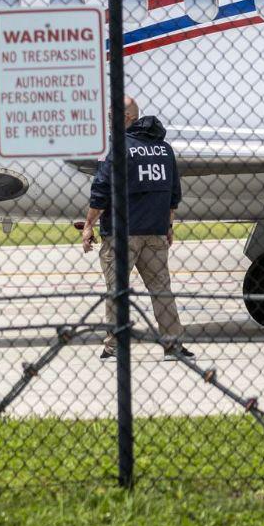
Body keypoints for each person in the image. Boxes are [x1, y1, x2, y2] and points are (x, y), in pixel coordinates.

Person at [81, 96, 193, 360]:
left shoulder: (120, 148)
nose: (109, 122)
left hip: (122, 235)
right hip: (155, 233)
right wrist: (168, 225)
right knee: (161, 290)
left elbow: (101, 191)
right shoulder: (164, 150)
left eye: (112, 117)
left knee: (117, 291)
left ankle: (115, 347)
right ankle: (173, 345)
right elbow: (173, 193)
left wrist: (88, 226)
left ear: (128, 118)